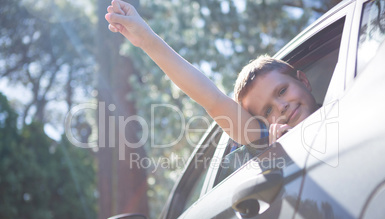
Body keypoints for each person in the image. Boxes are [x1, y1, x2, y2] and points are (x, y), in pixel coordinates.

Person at [105, 0, 320, 146]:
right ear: (257, 127)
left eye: (282, 90)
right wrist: (145, 39)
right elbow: (212, 99)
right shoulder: (268, 146)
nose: (281, 107)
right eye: (266, 111)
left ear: (303, 80)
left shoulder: (349, 96)